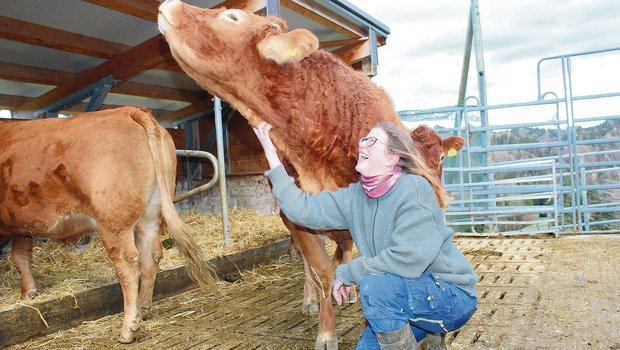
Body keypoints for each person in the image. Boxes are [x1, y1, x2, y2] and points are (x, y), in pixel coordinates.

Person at [253, 121, 478, 350]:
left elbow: (407, 259)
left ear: (392, 158)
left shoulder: (414, 189)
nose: (363, 144)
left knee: (374, 286)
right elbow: (302, 209)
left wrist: (349, 272)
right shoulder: (356, 197)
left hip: (450, 295)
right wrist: (272, 156)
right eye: (364, 139)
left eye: (372, 140)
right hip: (401, 296)